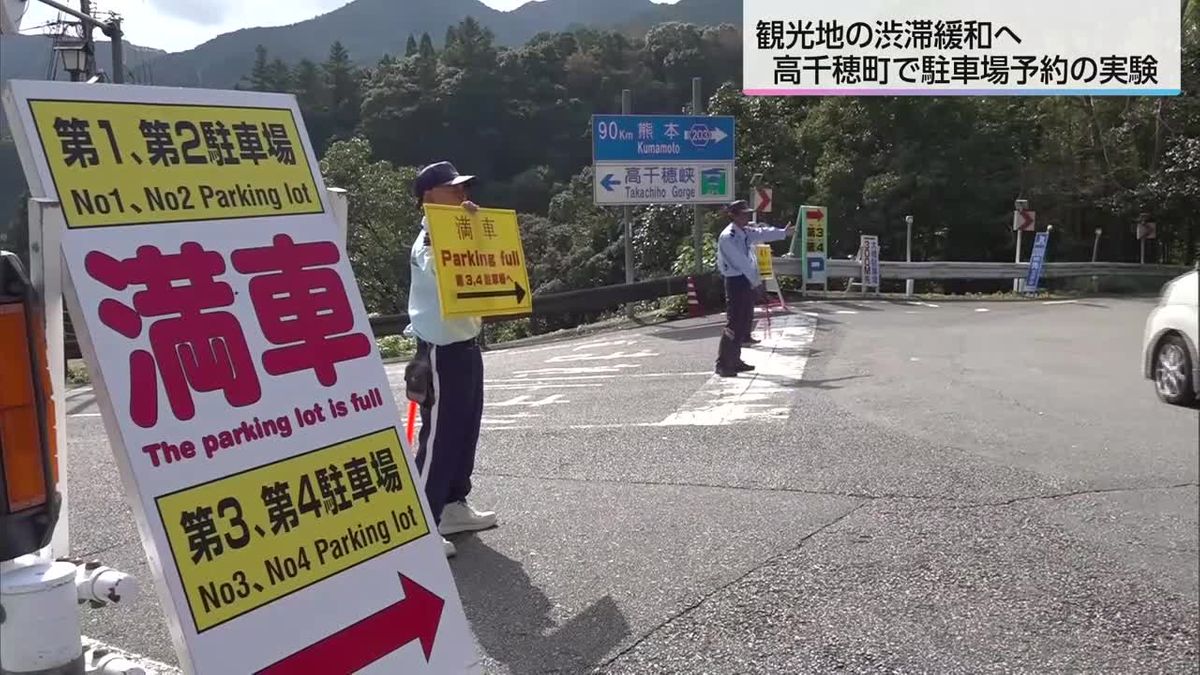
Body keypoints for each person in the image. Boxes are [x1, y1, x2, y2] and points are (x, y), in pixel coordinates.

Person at [406, 160, 498, 558]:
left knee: (465, 429)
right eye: (453, 189)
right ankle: (425, 521)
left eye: (464, 188)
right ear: (429, 197)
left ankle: (454, 505)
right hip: (440, 352)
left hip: (466, 346)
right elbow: (444, 272)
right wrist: (467, 229)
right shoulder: (427, 240)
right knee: (440, 436)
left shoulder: (457, 231)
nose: (462, 194)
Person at [714, 200, 794, 377]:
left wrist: (783, 233)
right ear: (733, 215)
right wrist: (756, 282)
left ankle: (735, 360)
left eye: (747, 213)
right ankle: (723, 363)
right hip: (735, 280)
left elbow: (761, 233)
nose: (746, 216)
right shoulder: (729, 236)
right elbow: (741, 263)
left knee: (743, 322)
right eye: (743, 214)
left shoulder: (744, 231)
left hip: (745, 279)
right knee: (734, 323)